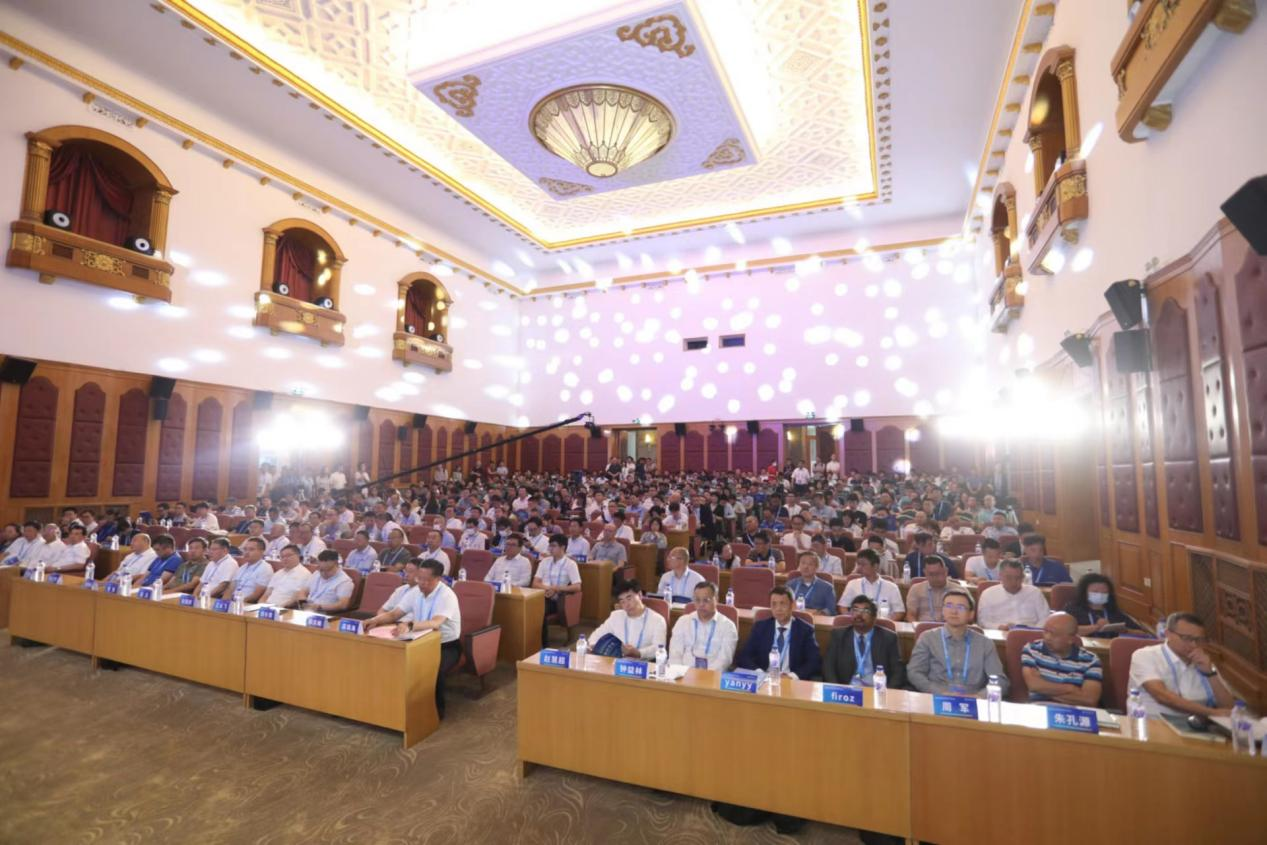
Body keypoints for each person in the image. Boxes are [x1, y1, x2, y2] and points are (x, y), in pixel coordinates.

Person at [377, 559, 462, 719]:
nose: (422, 583)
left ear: (438, 579)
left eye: (426, 580)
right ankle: (397, 707)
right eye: (419, 578)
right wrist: (374, 620)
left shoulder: (447, 595)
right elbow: (395, 614)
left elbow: (435, 623)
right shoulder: (415, 592)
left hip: (445, 645)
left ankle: (435, 713)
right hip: (418, 642)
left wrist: (410, 625)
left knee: (433, 670)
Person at [1128, 611, 1236, 717]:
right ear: (1168, 634)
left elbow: (1229, 708)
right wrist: (1211, 713)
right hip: (1155, 722)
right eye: (1187, 638)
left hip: (1200, 723)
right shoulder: (1145, 655)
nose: (1194, 645)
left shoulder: (1203, 662)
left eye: (1199, 640)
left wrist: (1210, 674)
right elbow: (1162, 696)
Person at [907, 589, 1008, 697]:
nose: (954, 611)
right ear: (943, 611)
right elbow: (914, 672)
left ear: (971, 614)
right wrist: (938, 692)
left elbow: (1000, 680)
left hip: (974, 700)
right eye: (949, 606)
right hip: (936, 697)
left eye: (961, 607)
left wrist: (979, 697)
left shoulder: (985, 643)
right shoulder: (928, 638)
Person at [735, 586, 821, 680]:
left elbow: (814, 661)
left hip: (791, 681)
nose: (778, 609)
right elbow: (745, 656)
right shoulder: (760, 627)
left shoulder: (805, 630)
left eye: (782, 604)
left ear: (792, 605)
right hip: (764, 678)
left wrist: (792, 676)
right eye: (774, 604)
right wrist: (759, 673)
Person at [1020, 612, 1103, 707]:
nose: (1047, 637)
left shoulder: (1091, 660)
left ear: (1071, 639)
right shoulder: (1032, 649)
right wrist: (1070, 688)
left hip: (1074, 712)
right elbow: (1034, 685)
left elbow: (1089, 700)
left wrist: (1044, 689)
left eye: (1054, 634)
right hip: (1039, 709)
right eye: (1045, 631)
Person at [823, 595, 906, 688]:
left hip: (877, 689)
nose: (859, 614)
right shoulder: (838, 635)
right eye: (855, 610)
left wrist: (885, 692)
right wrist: (836, 689)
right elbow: (828, 666)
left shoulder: (888, 638)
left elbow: (898, 671)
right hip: (846, 690)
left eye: (865, 611)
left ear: (874, 617)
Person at [668, 581, 738, 671]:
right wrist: (679, 673)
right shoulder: (683, 621)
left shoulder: (728, 626)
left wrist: (705, 676)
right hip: (683, 673)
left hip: (712, 675)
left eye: (706, 600)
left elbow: (724, 660)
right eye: (697, 600)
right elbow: (675, 654)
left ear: (716, 599)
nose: (701, 604)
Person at [589, 579, 666, 659]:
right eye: (622, 601)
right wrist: (593, 646)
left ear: (640, 595)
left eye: (629, 599)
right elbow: (595, 636)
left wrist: (638, 653)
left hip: (643, 664)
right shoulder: (616, 616)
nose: (627, 605)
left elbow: (659, 648)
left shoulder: (657, 620)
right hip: (615, 662)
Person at [533, 533, 582, 643]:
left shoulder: (570, 564)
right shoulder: (544, 562)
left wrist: (557, 589)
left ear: (562, 547)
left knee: (541, 610)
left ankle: (544, 643)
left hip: (560, 598)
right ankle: (536, 641)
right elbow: (535, 583)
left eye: (553, 546)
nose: (550, 549)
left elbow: (577, 586)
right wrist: (548, 588)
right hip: (543, 595)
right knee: (533, 608)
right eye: (549, 545)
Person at [1063, 573, 1145, 638]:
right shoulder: (1073, 609)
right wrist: (1096, 627)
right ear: (1084, 592)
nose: (1100, 595)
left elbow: (1142, 634)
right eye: (1095, 592)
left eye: (1104, 592)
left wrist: (1125, 631)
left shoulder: (1114, 612)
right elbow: (1063, 631)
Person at [975, 559, 1050, 630]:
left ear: (1023, 577)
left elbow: (1045, 618)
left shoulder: (1035, 593)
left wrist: (1033, 631)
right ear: (1000, 576)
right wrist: (999, 627)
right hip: (999, 633)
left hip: (1030, 634)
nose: (1013, 582)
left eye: (1018, 578)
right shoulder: (988, 594)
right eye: (1009, 578)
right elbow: (983, 621)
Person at [838, 549, 905, 621]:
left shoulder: (891, 587)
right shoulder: (852, 584)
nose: (859, 568)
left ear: (875, 566)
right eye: (858, 564)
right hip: (858, 623)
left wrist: (886, 623)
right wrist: (852, 619)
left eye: (863, 565)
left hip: (882, 625)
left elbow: (899, 612)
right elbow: (842, 607)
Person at [353, 561, 421, 623]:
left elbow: (396, 615)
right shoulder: (400, 590)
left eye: (410, 572)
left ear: (420, 573)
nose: (406, 574)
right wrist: (382, 621)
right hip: (389, 623)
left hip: (406, 625)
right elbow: (382, 610)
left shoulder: (420, 592)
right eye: (405, 571)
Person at [224, 537, 273, 604]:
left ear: (261, 551)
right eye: (245, 549)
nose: (246, 552)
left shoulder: (265, 568)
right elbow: (230, 588)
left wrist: (238, 603)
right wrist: (224, 602)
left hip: (246, 603)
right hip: (233, 602)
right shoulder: (242, 567)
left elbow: (256, 595)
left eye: (251, 549)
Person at [905, 555, 953, 623]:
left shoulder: (959, 590)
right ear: (925, 573)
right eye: (931, 574)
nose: (935, 578)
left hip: (949, 627)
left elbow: (967, 615)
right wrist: (916, 627)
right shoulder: (916, 589)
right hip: (923, 626)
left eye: (938, 573)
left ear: (946, 571)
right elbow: (910, 615)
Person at [786, 551, 836, 616]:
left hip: (816, 619)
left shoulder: (827, 588)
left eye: (810, 564)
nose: (805, 567)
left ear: (817, 567)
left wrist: (814, 615)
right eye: (803, 563)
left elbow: (831, 610)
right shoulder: (790, 585)